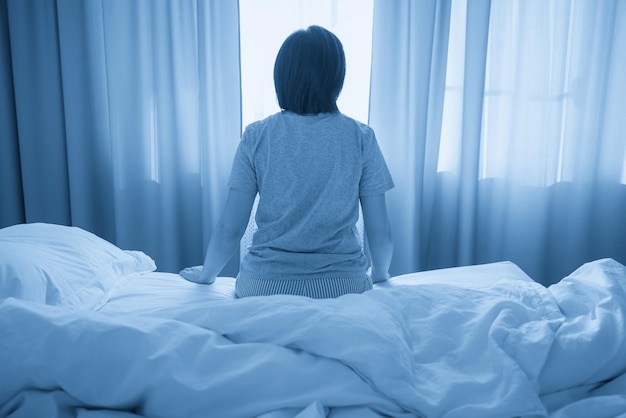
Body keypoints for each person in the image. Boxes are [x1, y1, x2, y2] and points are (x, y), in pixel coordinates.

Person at [180, 25, 394, 298]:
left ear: (282, 76)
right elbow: (380, 231)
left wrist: (206, 275)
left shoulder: (256, 135)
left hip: (262, 285)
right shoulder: (361, 137)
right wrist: (380, 275)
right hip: (345, 286)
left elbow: (230, 228)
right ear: (337, 77)